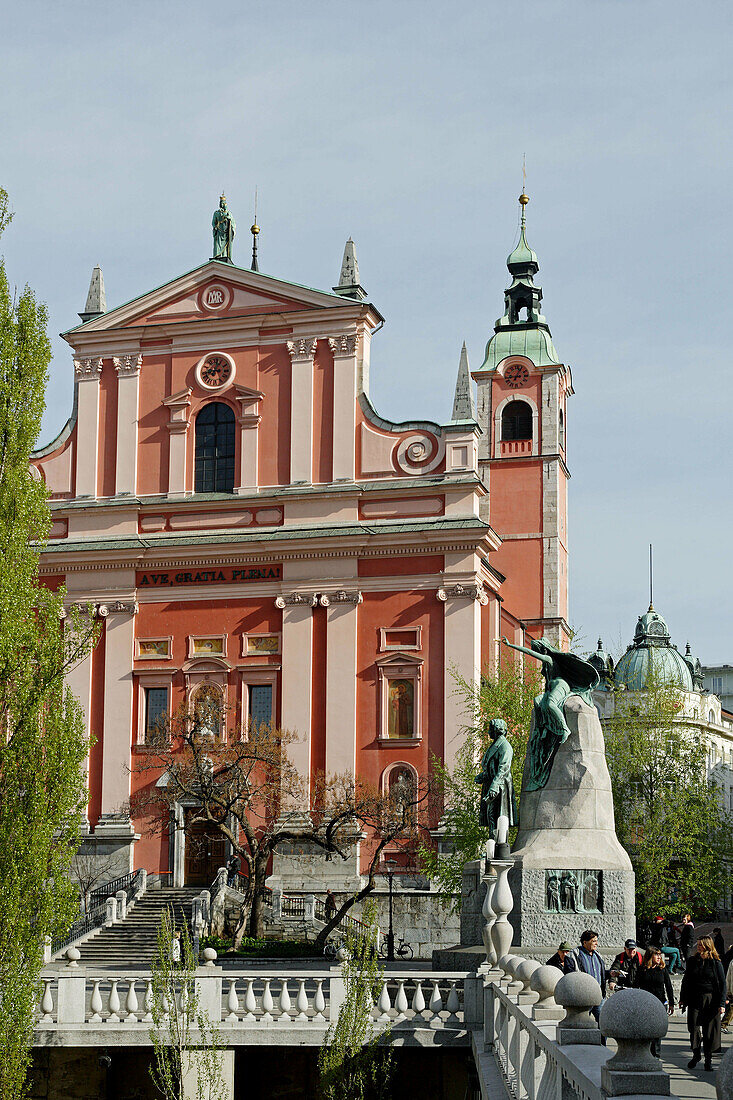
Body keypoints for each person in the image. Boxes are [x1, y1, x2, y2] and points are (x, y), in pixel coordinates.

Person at [680, 935, 726, 1071]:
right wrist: (683, 998)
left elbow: (722, 984)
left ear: (707, 946)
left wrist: (722, 1004)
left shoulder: (715, 962)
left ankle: (708, 1059)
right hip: (694, 998)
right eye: (698, 944)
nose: (698, 946)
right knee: (693, 1027)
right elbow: (686, 980)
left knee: (709, 1030)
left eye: (700, 945)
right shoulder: (693, 961)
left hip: (711, 999)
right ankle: (696, 1054)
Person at [633, 947, 674, 1057]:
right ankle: (645, 1052)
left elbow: (668, 987)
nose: (659, 957)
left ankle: (656, 1053)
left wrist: (671, 1003)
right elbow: (636, 987)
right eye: (656, 955)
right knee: (646, 1028)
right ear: (650, 956)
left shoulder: (662, 969)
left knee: (657, 1029)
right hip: (645, 1003)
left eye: (660, 955)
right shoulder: (642, 969)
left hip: (660, 1002)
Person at [574, 930, 607, 1039]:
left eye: (596, 941)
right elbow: (571, 974)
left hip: (599, 996)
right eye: (593, 941)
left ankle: (603, 1047)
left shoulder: (598, 955)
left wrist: (610, 973)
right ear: (585, 942)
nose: (596, 943)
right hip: (584, 997)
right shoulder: (575, 954)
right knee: (580, 1024)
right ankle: (581, 1047)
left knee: (603, 1023)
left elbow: (600, 973)